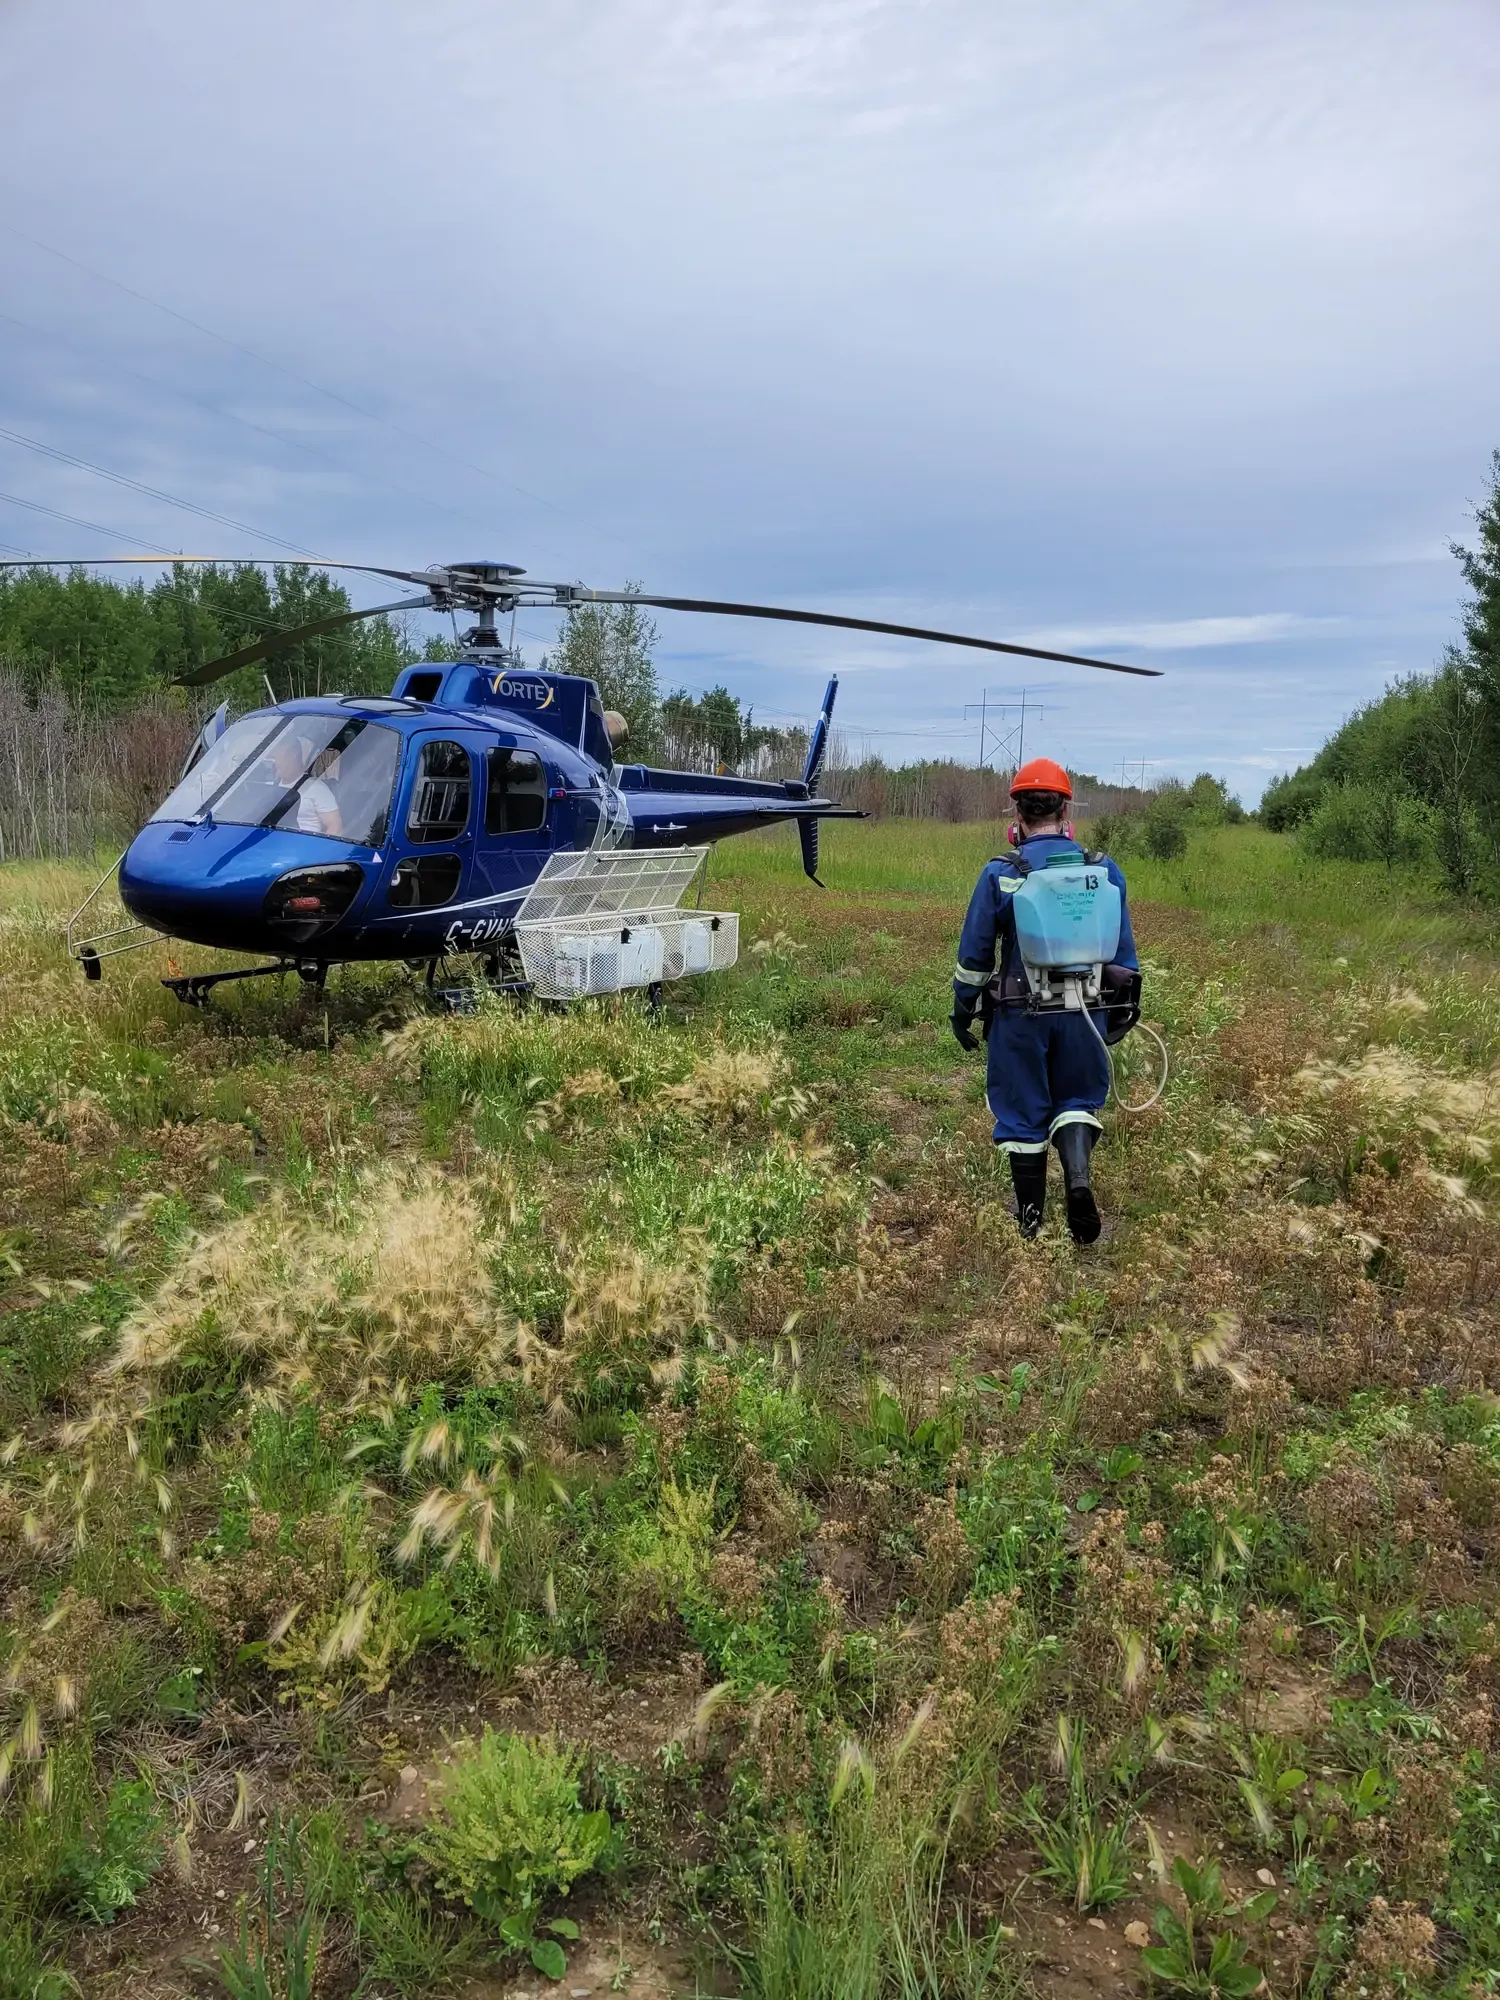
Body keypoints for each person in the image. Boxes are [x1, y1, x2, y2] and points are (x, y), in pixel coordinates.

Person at [950, 759, 1139, 1244]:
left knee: (1022, 1113)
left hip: (1020, 1014)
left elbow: (974, 957)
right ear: (1065, 810)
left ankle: (1031, 1223)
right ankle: (1078, 1180)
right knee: (1077, 1101)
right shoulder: (1102, 871)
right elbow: (1125, 957)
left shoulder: (1002, 873)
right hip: (1085, 1011)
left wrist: (963, 1009)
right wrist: (1119, 1014)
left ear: (1017, 814)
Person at [268, 733, 343, 837]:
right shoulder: (272, 786)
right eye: (274, 759)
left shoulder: (317, 788)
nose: (274, 763)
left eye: (278, 758)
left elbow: (335, 826)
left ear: (293, 755)